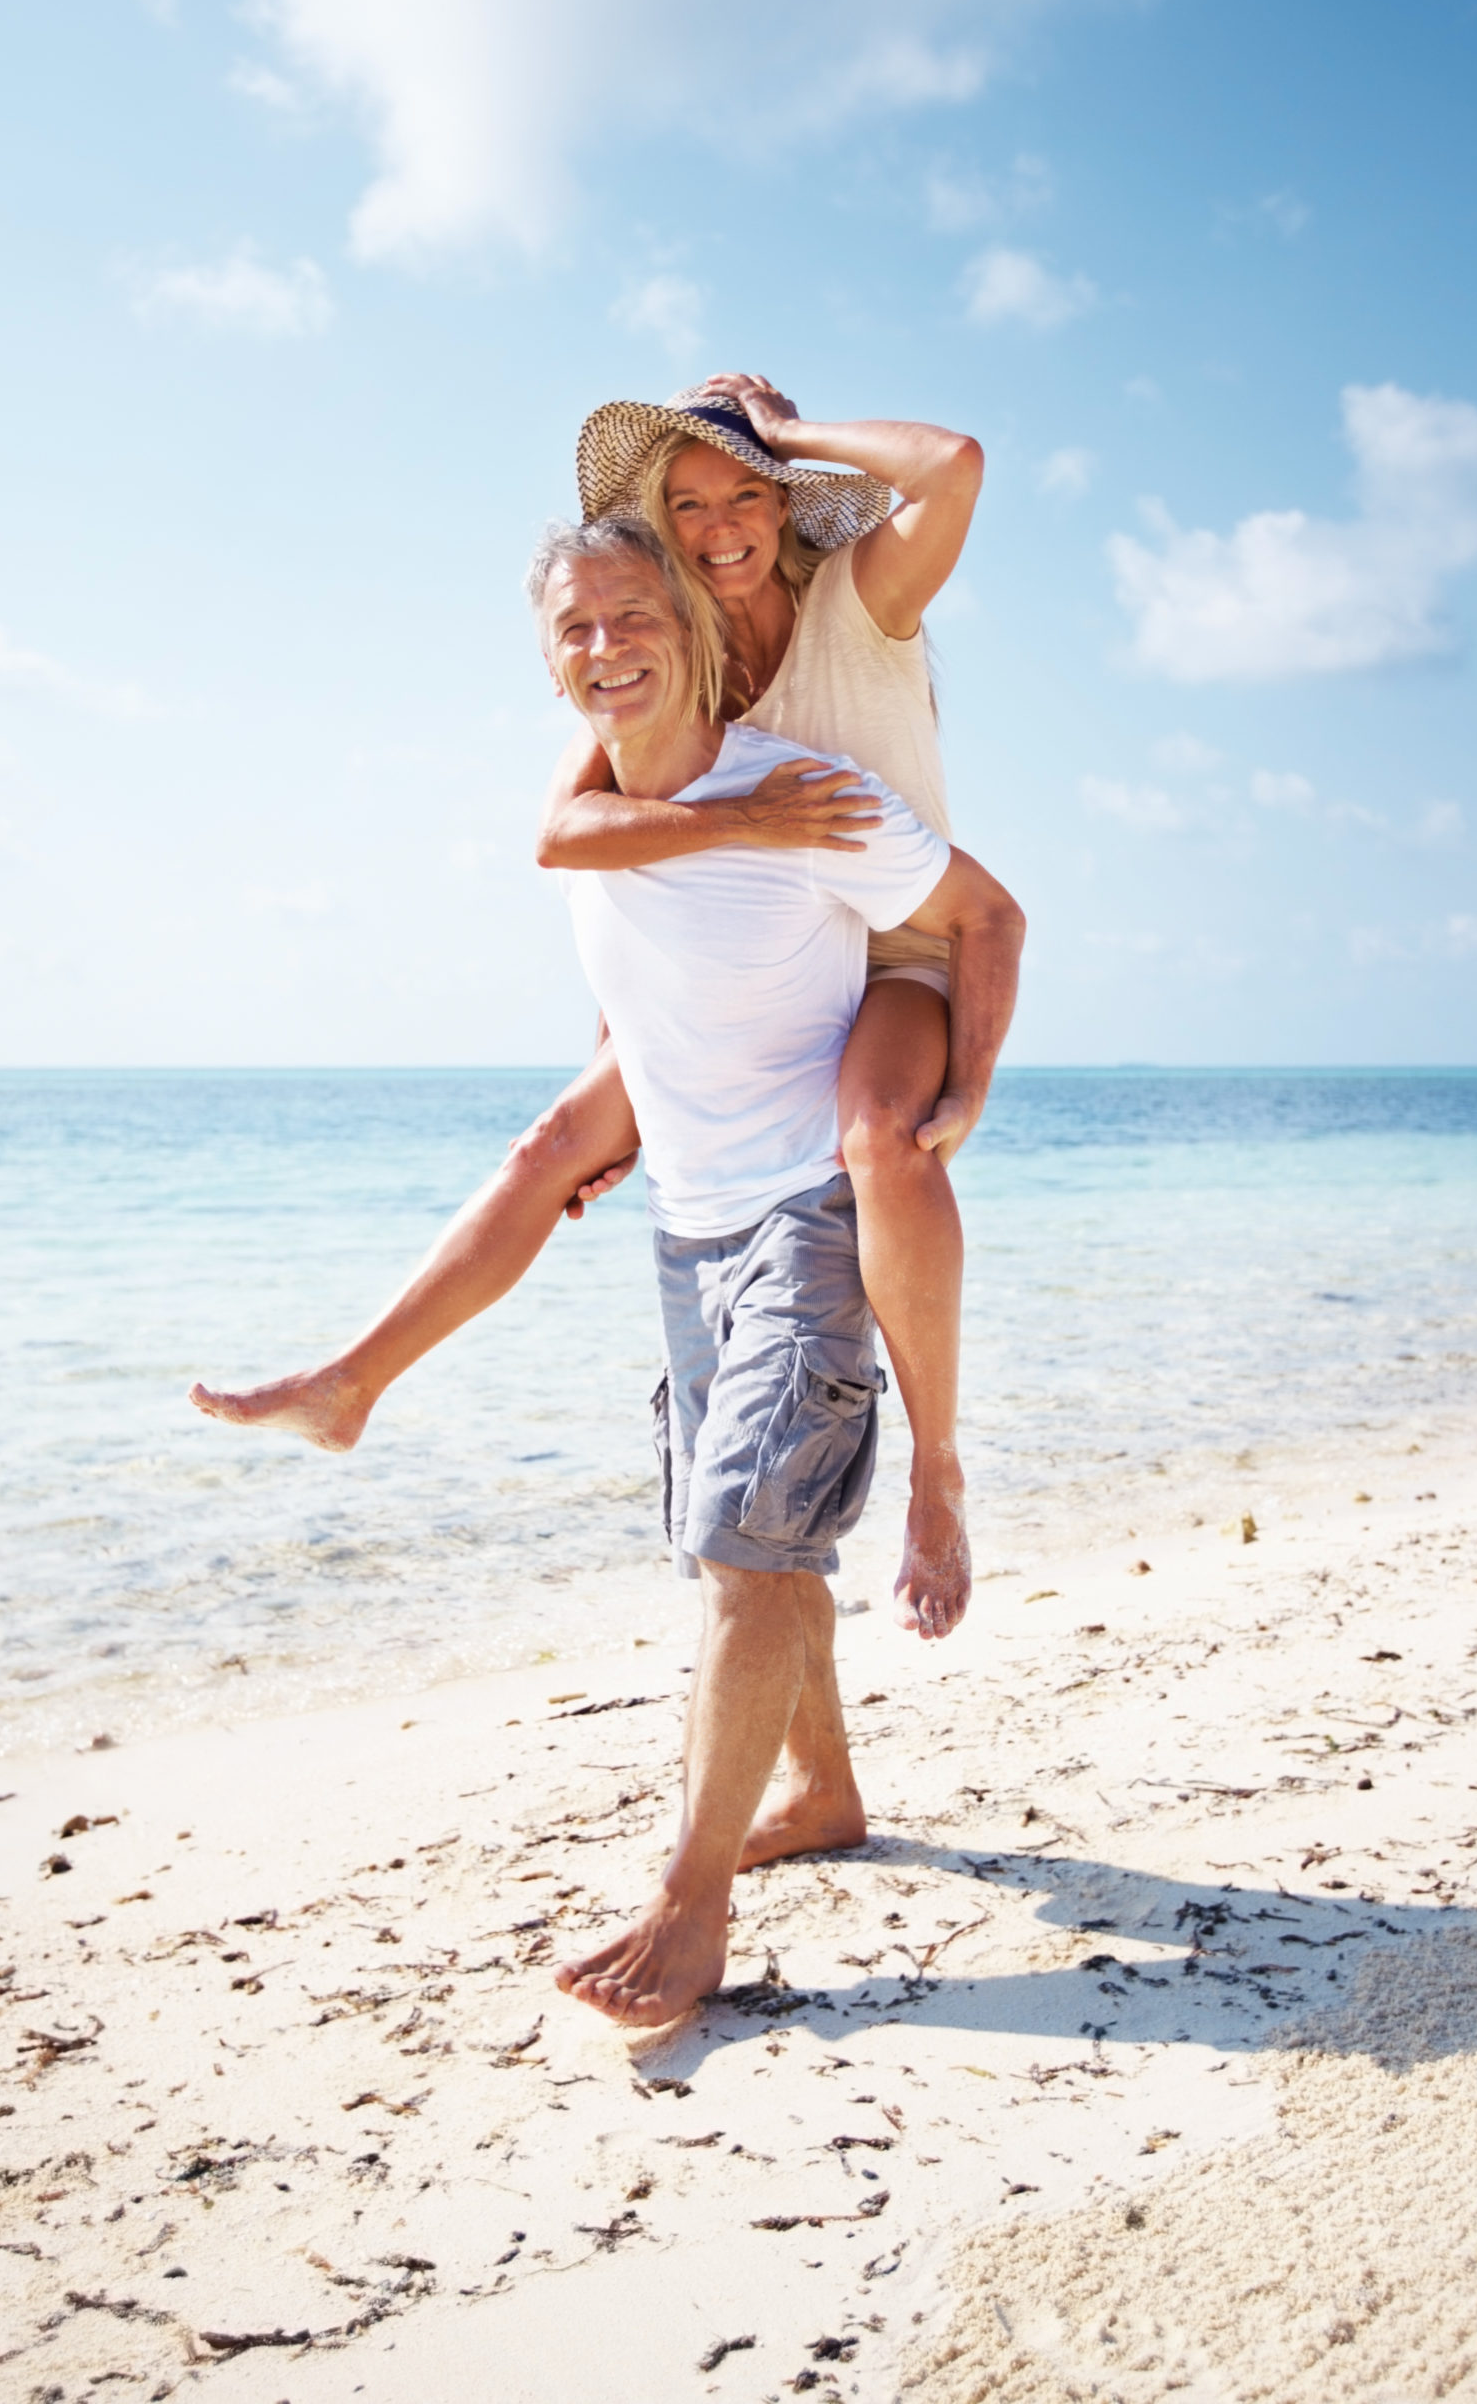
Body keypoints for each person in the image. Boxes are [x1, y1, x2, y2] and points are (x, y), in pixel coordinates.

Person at [191, 378, 984, 1637]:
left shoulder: (859, 599)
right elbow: (571, 834)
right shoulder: (677, 650)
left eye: (741, 496)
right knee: (547, 1148)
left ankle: (934, 1473)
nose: (718, 526)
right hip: (767, 960)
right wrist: (624, 1059)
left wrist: (779, 433)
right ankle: (351, 1382)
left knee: (878, 1143)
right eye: (686, 505)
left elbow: (950, 463)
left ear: (780, 505)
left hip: (899, 945)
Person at [523, 514, 1024, 2023]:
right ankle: (820, 1790)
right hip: (693, 1214)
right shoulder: (593, 796)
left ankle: (692, 1905)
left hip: (813, 1185)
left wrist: (971, 1085)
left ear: (687, 609)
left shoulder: (815, 769)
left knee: (745, 1542)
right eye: (575, 628)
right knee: (738, 1541)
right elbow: (612, 917)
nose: (605, 646)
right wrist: (623, 1107)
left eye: (631, 614)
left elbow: (984, 915)